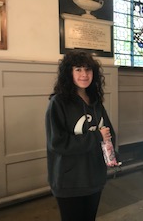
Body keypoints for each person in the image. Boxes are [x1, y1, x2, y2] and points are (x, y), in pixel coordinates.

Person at [45, 50, 117, 221]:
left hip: (94, 177)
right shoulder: (58, 102)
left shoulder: (95, 101)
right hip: (70, 180)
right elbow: (58, 143)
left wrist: (111, 154)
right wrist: (96, 137)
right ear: (69, 72)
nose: (84, 75)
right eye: (78, 69)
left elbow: (108, 132)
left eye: (88, 70)